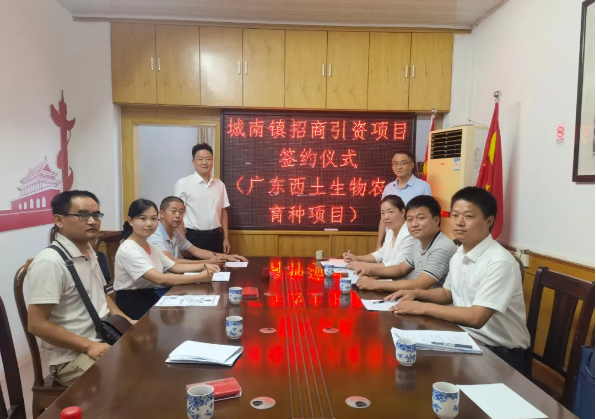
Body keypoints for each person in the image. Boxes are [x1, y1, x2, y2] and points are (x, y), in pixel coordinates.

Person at [388, 187, 531, 372]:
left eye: (468, 216)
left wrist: (421, 307)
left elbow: (476, 317)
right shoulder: (459, 253)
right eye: (455, 215)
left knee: (425, 371)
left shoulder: (499, 261)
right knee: (409, 363)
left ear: (489, 221)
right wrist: (416, 294)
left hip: (500, 353)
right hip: (465, 339)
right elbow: (447, 293)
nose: (459, 222)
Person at [27, 190, 136, 386]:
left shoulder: (88, 251)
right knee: (133, 380)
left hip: (105, 338)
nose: (93, 221)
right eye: (83, 215)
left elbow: (101, 295)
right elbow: (36, 324)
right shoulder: (50, 262)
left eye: (96, 215)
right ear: (59, 220)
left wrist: (126, 322)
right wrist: (88, 346)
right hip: (72, 357)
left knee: (153, 355)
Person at [113, 199, 217, 320]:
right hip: (133, 302)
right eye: (143, 219)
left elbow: (174, 266)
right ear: (130, 220)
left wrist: (204, 266)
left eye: (153, 219)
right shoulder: (128, 249)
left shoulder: (149, 245)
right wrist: (199, 278)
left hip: (150, 295)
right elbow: (159, 278)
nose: (149, 223)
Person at [355, 195, 457, 293]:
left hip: (431, 302)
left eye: (421, 218)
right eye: (410, 219)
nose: (414, 224)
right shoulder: (418, 242)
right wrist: (369, 271)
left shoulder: (442, 247)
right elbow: (401, 269)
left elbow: (420, 284)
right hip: (415, 297)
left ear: (436, 220)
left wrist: (375, 284)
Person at [149, 196, 247, 265]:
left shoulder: (175, 233)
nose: (178, 215)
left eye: (181, 212)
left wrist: (227, 257)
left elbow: (197, 251)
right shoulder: (155, 235)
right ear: (161, 214)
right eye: (173, 211)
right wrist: (208, 262)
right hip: (160, 285)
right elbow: (171, 261)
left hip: (173, 279)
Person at [175, 143, 231, 253]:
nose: (205, 162)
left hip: (217, 237)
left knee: (219, 264)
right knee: (195, 265)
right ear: (193, 162)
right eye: (200, 159)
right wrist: (183, 242)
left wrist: (226, 238)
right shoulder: (183, 184)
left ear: (212, 161)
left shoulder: (219, 184)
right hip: (194, 238)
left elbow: (223, 212)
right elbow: (178, 214)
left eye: (208, 159)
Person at [343, 195, 416, 273]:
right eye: (382, 213)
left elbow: (398, 266)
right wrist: (357, 258)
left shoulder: (410, 234)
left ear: (402, 212)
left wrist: (363, 265)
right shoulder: (390, 232)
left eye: (390, 212)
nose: (386, 217)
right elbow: (380, 255)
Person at [377, 150, 432, 249]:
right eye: (395, 163)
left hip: (413, 241)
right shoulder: (388, 188)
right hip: (390, 241)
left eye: (403, 163)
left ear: (412, 165)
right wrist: (379, 244)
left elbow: (426, 217)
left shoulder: (423, 187)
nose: (399, 167)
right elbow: (383, 218)